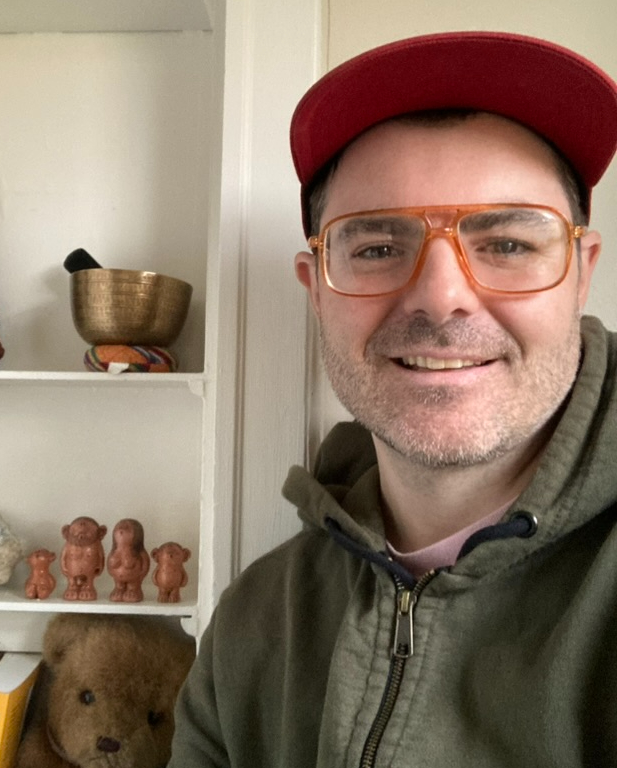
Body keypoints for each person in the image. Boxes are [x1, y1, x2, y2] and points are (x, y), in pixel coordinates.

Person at [167, 31, 617, 767]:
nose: (442, 298)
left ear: (581, 273)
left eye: (506, 243)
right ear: (317, 290)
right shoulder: (251, 627)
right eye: (377, 248)